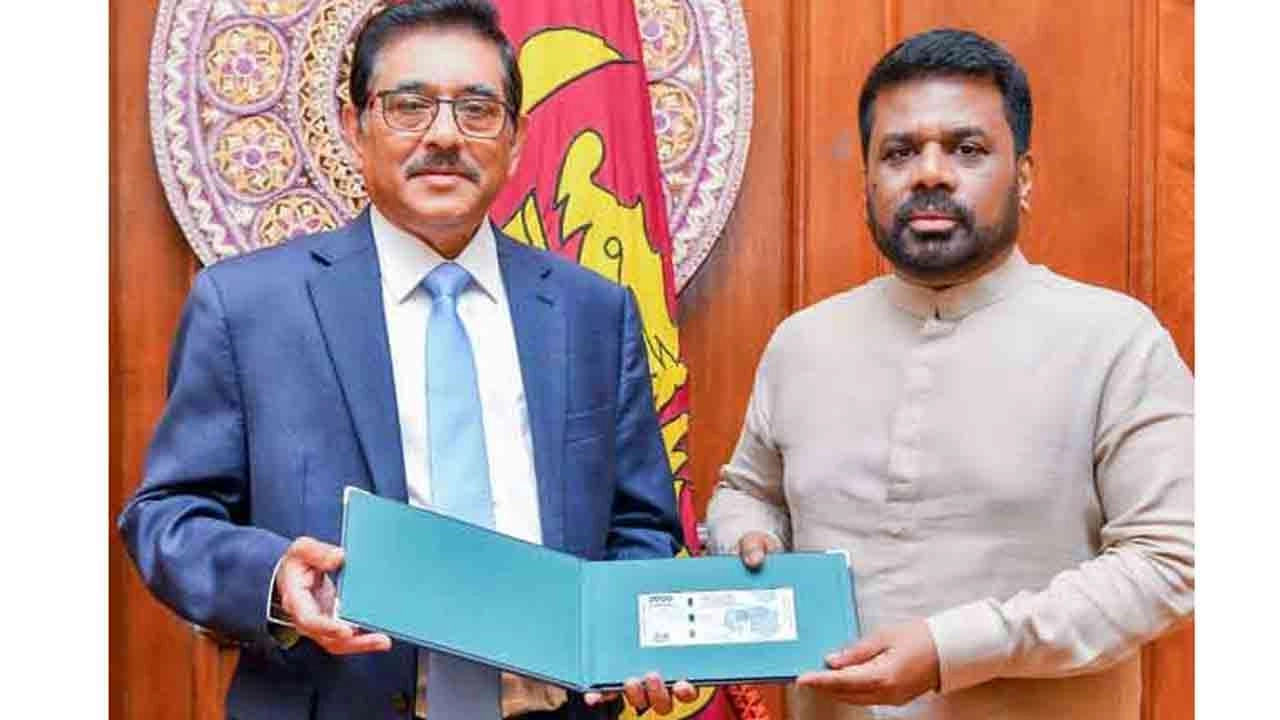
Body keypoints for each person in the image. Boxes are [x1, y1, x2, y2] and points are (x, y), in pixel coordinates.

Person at [118, 1, 694, 717]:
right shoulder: (247, 307)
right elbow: (167, 517)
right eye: (409, 105)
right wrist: (272, 579)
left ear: (516, 139)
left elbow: (641, 525)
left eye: (477, 110)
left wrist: (626, 635)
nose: (445, 135)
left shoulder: (592, 312)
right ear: (355, 127)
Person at [706, 28, 1193, 719]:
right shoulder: (802, 343)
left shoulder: (1115, 340)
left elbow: (1172, 560)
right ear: (867, 183)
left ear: (1024, 177)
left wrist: (952, 648)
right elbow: (748, 492)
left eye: (967, 149)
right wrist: (747, 538)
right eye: (899, 152)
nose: (929, 174)